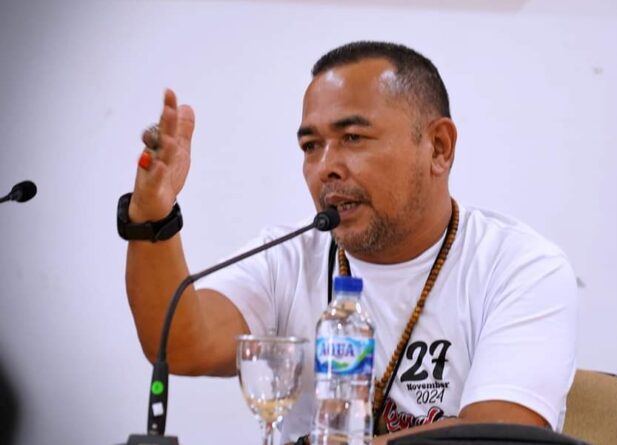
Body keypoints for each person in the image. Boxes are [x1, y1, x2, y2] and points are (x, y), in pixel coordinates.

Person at [121, 41, 577, 444]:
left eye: (353, 138)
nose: (326, 168)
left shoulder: (518, 267)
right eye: (311, 146)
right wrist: (152, 216)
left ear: (438, 147)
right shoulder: (286, 259)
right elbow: (180, 343)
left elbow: (498, 436)